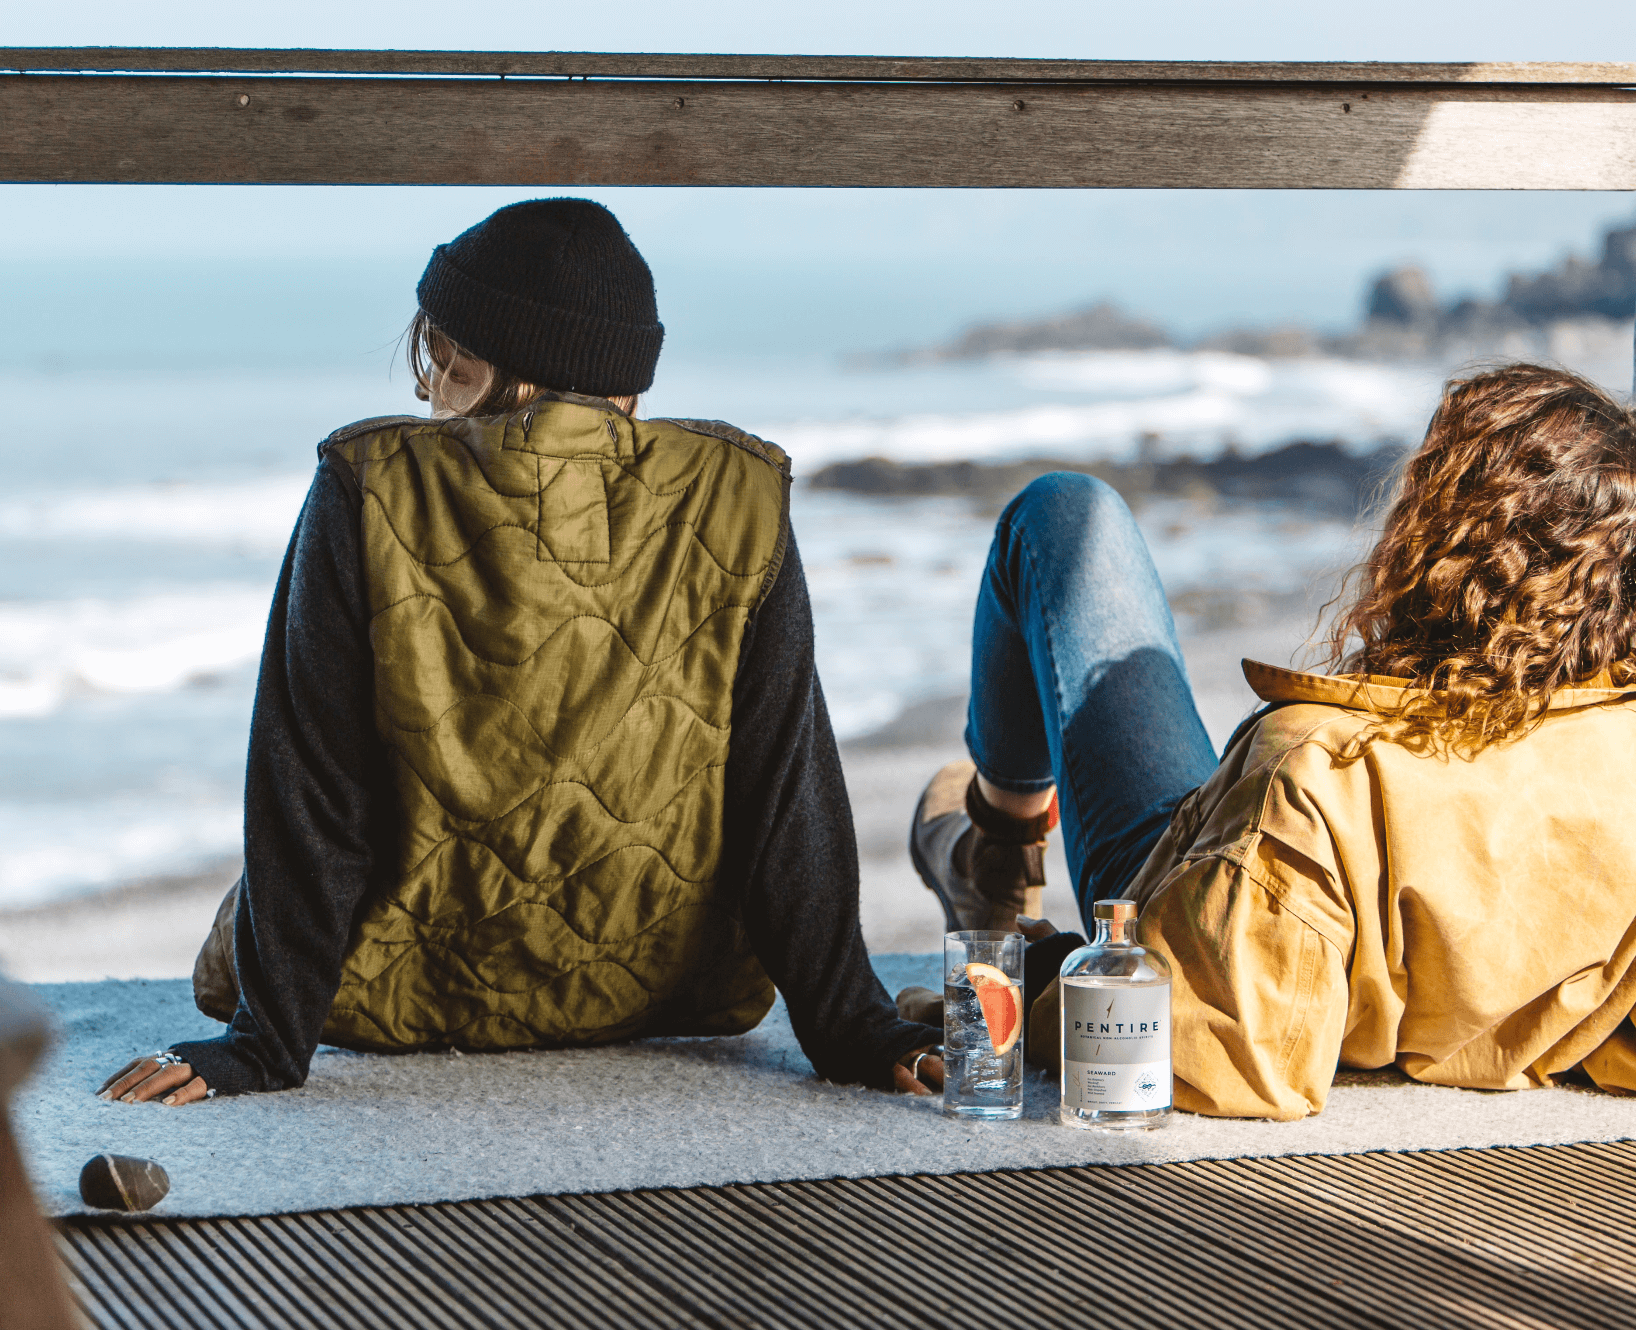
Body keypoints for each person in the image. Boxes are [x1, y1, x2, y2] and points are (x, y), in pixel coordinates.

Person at [99, 198, 941, 1107]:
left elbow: (310, 789)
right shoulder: (736, 494)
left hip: (395, 991)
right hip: (667, 989)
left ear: (494, 368)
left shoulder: (369, 484)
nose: (429, 395)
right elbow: (787, 785)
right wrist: (854, 1026)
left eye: (445, 364)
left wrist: (265, 1042)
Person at [910, 363, 1636, 1117]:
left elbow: (1210, 1044)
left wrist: (1040, 979)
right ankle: (986, 845)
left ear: (1439, 545)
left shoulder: (1317, 769)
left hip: (1207, 888)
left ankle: (997, 844)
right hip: (1296, 888)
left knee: (1062, 515)